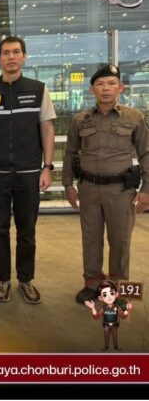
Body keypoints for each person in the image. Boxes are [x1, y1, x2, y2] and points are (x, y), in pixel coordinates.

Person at [0, 36, 56, 304]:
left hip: (29, 173)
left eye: (16, 52)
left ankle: (26, 279)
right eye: (6, 52)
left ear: (24, 57)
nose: (11, 57)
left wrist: (47, 167)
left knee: (26, 229)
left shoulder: (38, 89)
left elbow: (47, 129)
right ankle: (2, 279)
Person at [62, 64, 149, 305]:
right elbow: (70, 153)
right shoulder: (80, 120)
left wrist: (146, 189)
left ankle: (118, 285)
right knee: (91, 238)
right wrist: (68, 184)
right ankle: (92, 283)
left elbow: (146, 153)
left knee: (120, 239)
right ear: (92, 90)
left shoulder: (134, 118)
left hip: (120, 190)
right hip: (88, 188)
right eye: (100, 84)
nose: (106, 89)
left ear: (120, 88)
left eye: (111, 84)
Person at [84, 280, 132, 351]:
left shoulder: (117, 308)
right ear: (100, 298)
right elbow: (96, 317)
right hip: (106, 326)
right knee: (106, 336)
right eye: (104, 295)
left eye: (112, 293)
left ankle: (116, 346)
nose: (109, 297)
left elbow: (123, 316)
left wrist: (127, 309)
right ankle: (106, 346)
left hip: (114, 325)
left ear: (116, 294)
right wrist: (93, 308)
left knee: (115, 336)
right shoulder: (103, 308)